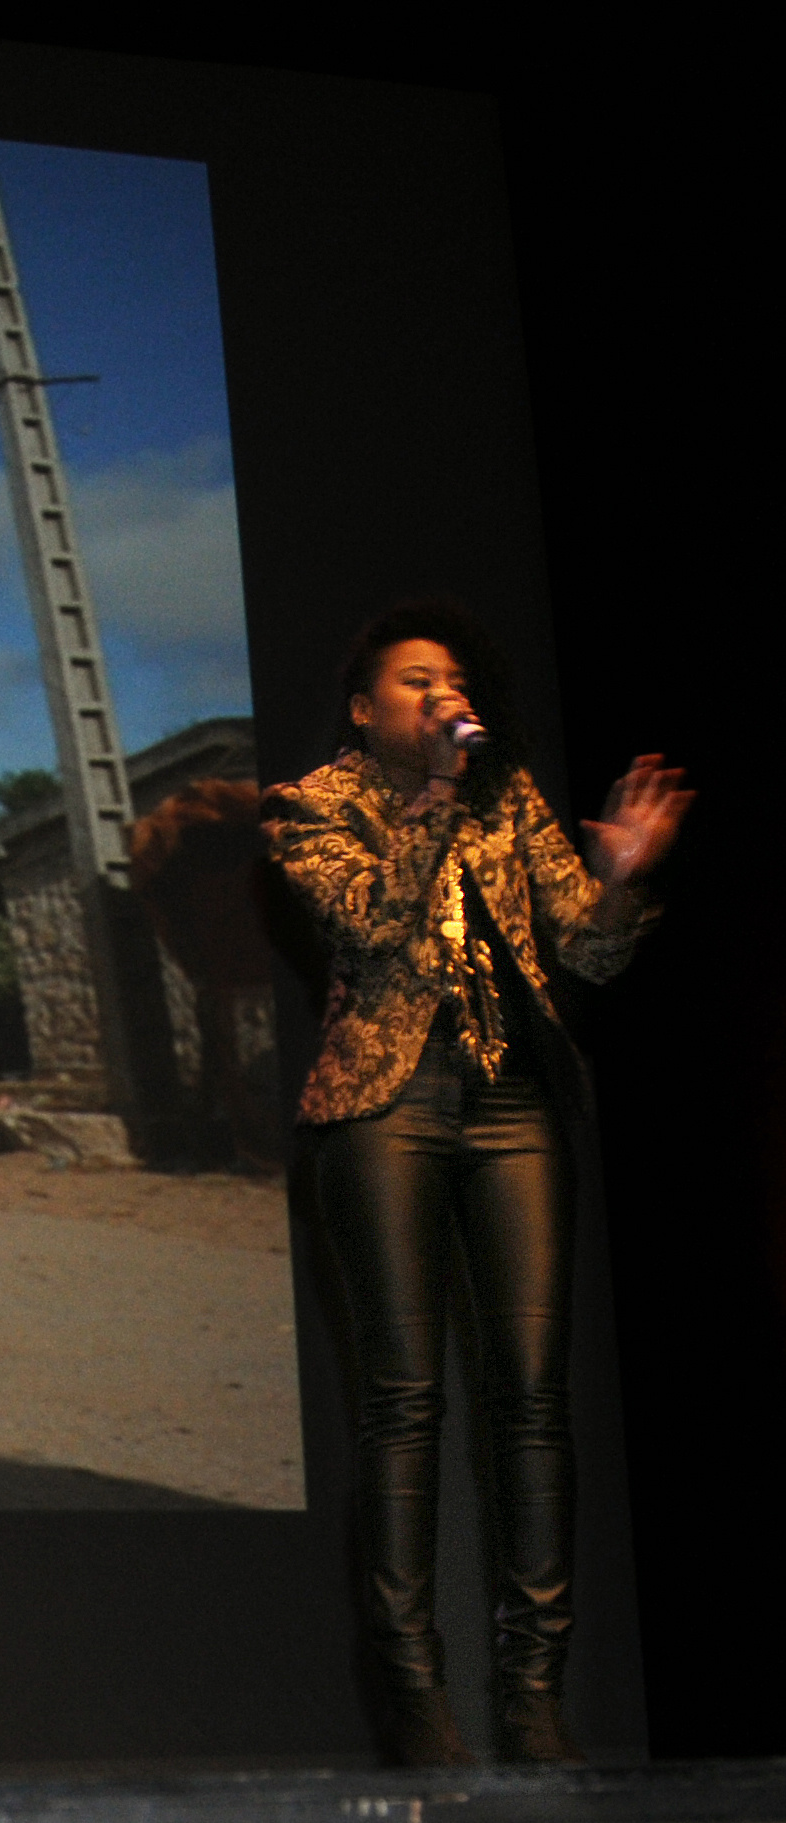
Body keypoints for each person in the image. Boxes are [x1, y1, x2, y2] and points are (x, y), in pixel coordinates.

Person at [264, 598, 688, 1767]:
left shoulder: (509, 797)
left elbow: (587, 950)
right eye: (415, 679)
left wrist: (616, 879)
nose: (441, 693)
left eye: (451, 678)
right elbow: (375, 921)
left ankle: (532, 1695)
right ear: (364, 709)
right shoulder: (311, 803)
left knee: (532, 1399)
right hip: (384, 1104)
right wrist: (438, 793)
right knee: (403, 1400)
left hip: (512, 1100)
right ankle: (414, 1696)